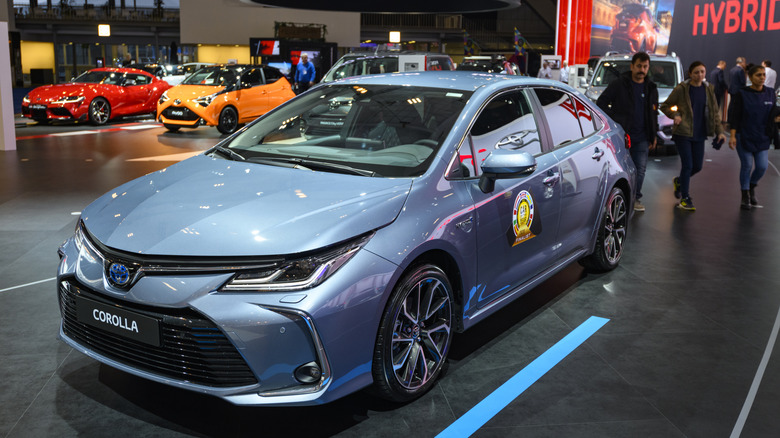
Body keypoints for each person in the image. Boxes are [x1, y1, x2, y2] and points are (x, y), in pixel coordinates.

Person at [597, 51, 659, 212]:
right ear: (632, 66)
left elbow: (653, 113)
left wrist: (654, 135)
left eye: (645, 67)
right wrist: (615, 120)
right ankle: (620, 199)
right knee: (621, 169)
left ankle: (635, 198)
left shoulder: (651, 88)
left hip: (643, 137)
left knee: (640, 169)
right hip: (622, 136)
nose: (642, 70)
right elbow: (601, 103)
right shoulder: (619, 84)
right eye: (639, 66)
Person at [661, 61, 726, 211]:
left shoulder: (709, 89)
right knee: (688, 165)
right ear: (690, 73)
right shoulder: (682, 88)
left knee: (697, 166)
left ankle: (679, 181)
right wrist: (675, 114)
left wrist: (720, 132)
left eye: (702, 72)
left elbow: (715, 113)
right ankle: (685, 198)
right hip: (683, 133)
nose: (700, 75)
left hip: (699, 133)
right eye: (696, 72)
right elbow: (665, 106)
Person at [727, 64, 780, 210]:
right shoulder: (742, 94)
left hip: (762, 135)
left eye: (763, 75)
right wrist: (732, 136)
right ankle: (744, 196)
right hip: (743, 135)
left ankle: (751, 186)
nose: (762, 77)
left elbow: (773, 111)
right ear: (750, 77)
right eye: (758, 75)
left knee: (762, 166)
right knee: (747, 165)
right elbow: (735, 116)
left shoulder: (770, 93)